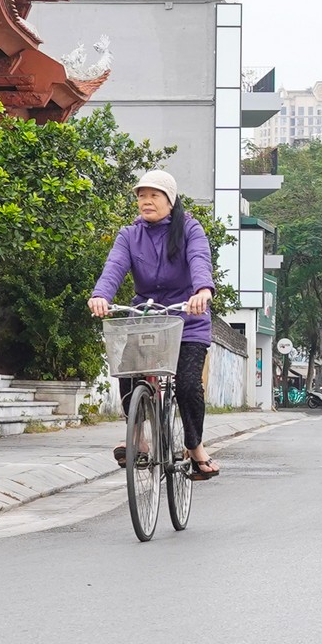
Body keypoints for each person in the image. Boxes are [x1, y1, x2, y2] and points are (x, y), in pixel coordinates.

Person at [89, 169, 219, 479]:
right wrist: (100, 296)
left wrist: (202, 291)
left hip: (188, 319)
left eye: (154, 195)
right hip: (147, 317)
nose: (146, 201)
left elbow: (199, 259)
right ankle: (139, 439)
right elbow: (114, 268)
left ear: (170, 200)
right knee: (128, 373)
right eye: (141, 195)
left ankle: (195, 446)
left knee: (188, 386)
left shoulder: (189, 229)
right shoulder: (129, 235)